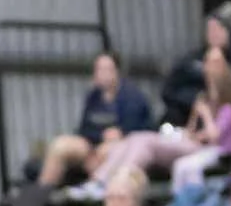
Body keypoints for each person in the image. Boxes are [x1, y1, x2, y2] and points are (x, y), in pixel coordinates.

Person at [88, 47, 231, 196]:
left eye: (215, 62)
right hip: (193, 142)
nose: (209, 67)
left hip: (214, 150)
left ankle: (117, 183)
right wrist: (189, 130)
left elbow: (215, 136)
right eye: (207, 61)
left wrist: (205, 114)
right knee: (135, 138)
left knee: (146, 142)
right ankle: (100, 180)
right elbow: (193, 130)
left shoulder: (230, 105)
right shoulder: (204, 97)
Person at [37, 51, 151, 188]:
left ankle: (95, 189)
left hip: (119, 147)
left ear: (118, 71)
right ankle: (43, 190)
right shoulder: (93, 97)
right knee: (60, 145)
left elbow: (135, 133)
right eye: (98, 69)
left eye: (106, 69)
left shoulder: (132, 97)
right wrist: (89, 152)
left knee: (108, 150)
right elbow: (84, 130)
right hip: (91, 146)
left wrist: (116, 137)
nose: (102, 74)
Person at [159, 0, 231, 126]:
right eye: (210, 29)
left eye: (218, 29)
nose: (214, 34)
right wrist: (195, 99)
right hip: (192, 113)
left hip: (227, 114)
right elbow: (169, 89)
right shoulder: (193, 61)